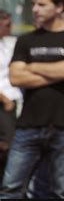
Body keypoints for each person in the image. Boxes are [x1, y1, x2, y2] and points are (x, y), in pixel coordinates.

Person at [0, 0, 64, 199]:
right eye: (33, 4)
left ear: (59, 7)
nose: (36, 9)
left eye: (42, 4)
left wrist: (31, 67)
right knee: (10, 188)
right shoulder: (26, 40)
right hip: (29, 123)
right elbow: (15, 77)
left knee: (63, 191)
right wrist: (60, 67)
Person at [0, 10, 22, 184]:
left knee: (9, 143)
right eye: (7, 25)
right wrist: (4, 99)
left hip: (11, 98)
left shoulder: (6, 44)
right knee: (7, 143)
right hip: (3, 101)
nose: (10, 28)